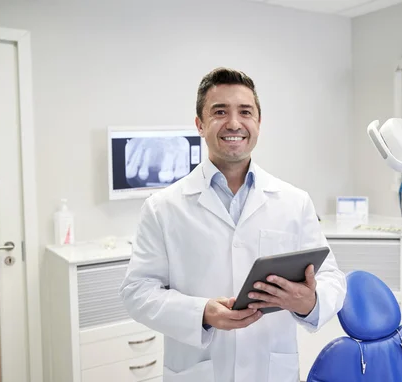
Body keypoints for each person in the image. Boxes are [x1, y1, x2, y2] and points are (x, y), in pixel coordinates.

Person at [119, 67, 347, 382]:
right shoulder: (163, 208)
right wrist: (202, 313)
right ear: (200, 124)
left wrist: (310, 301)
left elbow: (332, 278)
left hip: (272, 371)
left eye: (245, 112)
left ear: (258, 123)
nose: (234, 123)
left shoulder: (294, 201)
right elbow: (137, 292)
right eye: (220, 112)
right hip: (198, 371)